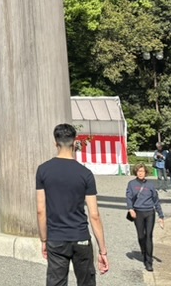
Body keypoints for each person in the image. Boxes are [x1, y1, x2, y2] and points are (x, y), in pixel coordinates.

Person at [36, 123, 108, 286]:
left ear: (56, 143)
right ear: (75, 143)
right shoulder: (85, 174)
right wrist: (102, 250)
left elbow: (41, 210)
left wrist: (44, 240)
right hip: (80, 237)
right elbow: (94, 215)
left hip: (56, 237)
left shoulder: (43, 170)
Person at [126, 161, 164, 272]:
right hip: (138, 212)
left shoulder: (150, 185)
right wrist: (130, 208)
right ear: (136, 172)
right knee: (140, 236)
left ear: (146, 172)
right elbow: (128, 197)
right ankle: (144, 251)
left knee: (149, 236)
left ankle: (148, 261)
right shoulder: (131, 184)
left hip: (149, 212)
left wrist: (160, 215)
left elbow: (156, 200)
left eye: (142, 171)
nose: (140, 173)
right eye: (138, 171)